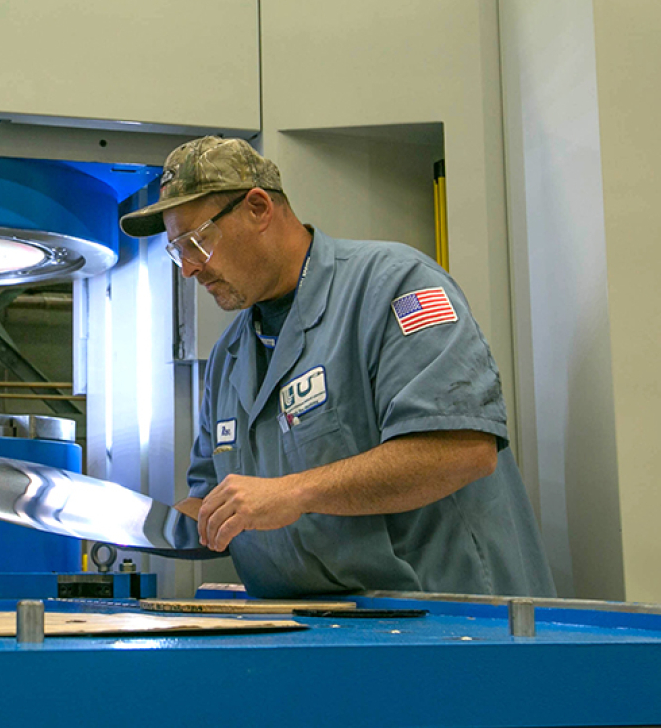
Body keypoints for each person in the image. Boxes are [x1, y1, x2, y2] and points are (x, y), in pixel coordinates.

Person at [120, 136, 556, 599]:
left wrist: (292, 493)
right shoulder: (229, 358)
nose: (189, 269)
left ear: (259, 208)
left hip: (447, 628)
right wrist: (115, 518)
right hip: (315, 638)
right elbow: (215, 504)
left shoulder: (394, 286)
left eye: (197, 242)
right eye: (178, 251)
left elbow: (460, 449)